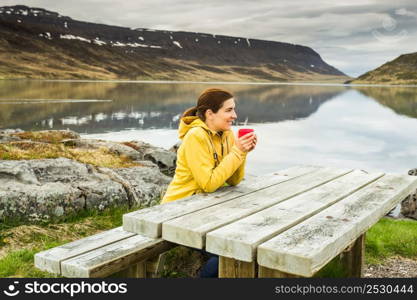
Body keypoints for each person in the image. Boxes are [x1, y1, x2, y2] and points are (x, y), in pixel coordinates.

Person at [161, 88, 257, 277]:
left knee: (249, 243)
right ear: (209, 114)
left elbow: (234, 180)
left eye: (234, 109)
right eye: (228, 110)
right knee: (230, 254)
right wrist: (237, 152)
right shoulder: (196, 136)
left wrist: (242, 152)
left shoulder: (227, 134)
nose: (235, 115)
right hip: (179, 210)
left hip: (204, 209)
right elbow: (208, 184)